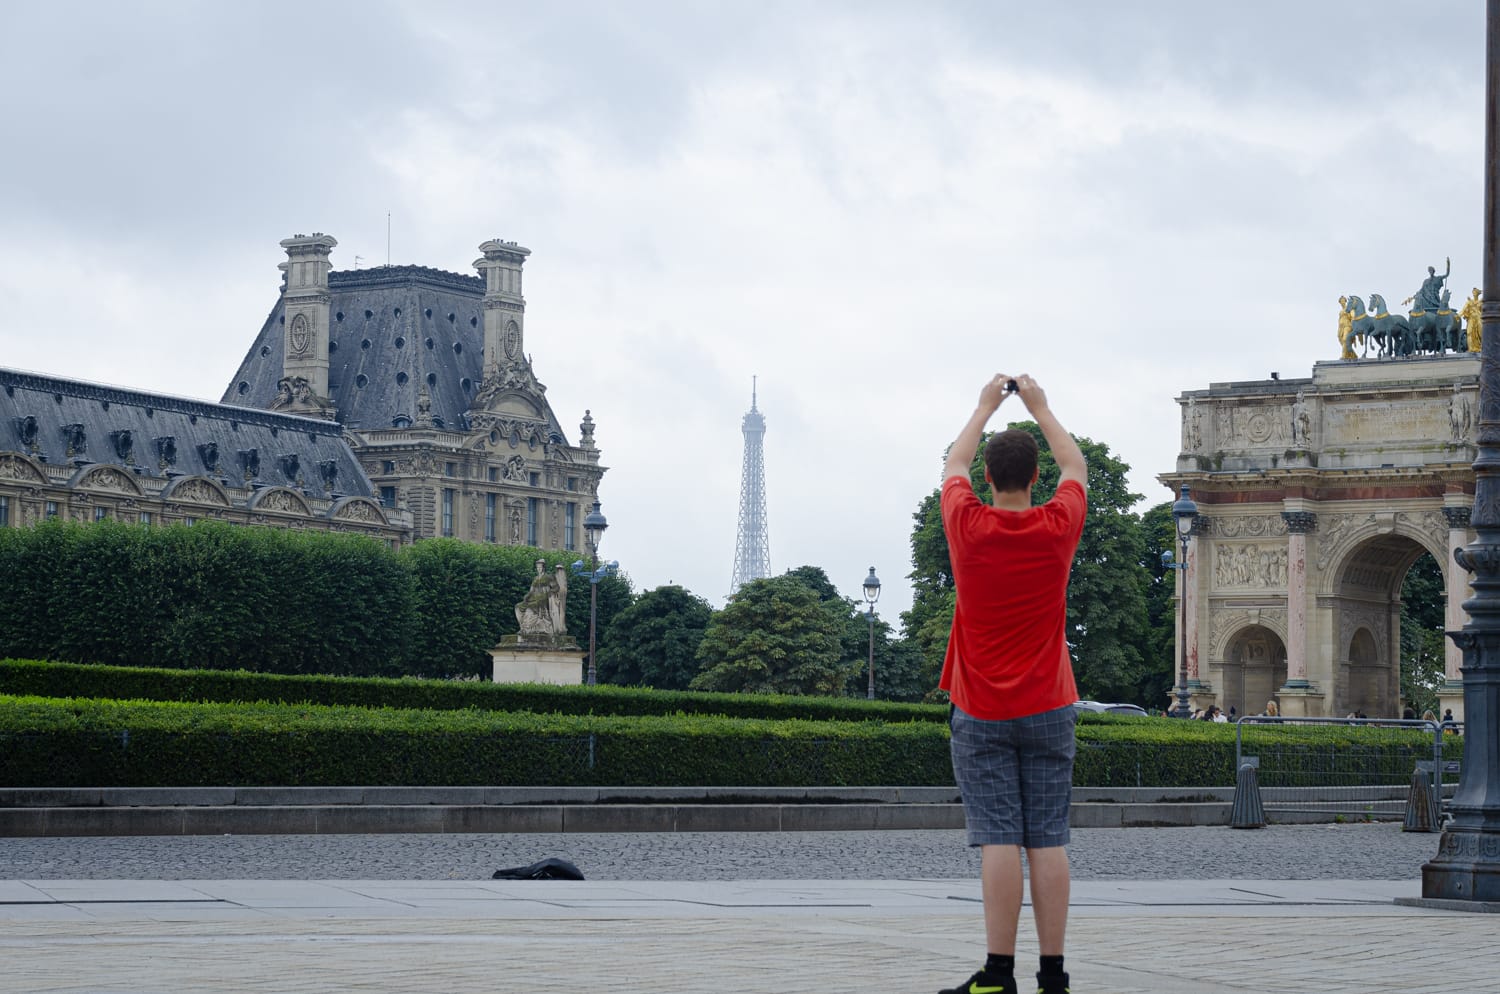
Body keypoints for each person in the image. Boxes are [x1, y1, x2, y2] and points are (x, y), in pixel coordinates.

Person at [937, 372, 1087, 994]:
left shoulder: (967, 525)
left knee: (998, 838)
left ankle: (999, 974)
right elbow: (1076, 466)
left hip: (981, 708)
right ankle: (1054, 977)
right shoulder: (1058, 527)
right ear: (1034, 477)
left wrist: (983, 407)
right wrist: (1041, 407)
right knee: (1047, 840)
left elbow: (953, 463)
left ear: (989, 478)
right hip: (1049, 703)